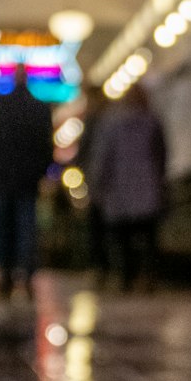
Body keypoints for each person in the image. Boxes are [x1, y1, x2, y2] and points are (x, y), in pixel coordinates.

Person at [0, 63, 53, 298]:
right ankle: (27, 275)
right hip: (27, 180)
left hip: (1, 178)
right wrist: (41, 172)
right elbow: (46, 146)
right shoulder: (39, 107)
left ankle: (5, 275)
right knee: (26, 226)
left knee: (4, 227)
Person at [90, 83, 168, 291]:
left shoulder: (112, 123)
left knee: (123, 240)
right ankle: (149, 275)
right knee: (148, 238)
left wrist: (98, 186)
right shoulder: (152, 121)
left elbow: (103, 157)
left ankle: (127, 279)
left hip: (120, 190)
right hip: (147, 188)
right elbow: (161, 154)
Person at [76, 86, 110, 284]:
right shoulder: (111, 119)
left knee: (96, 225)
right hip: (113, 182)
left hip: (97, 179)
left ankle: (99, 268)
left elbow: (83, 151)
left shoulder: (92, 121)